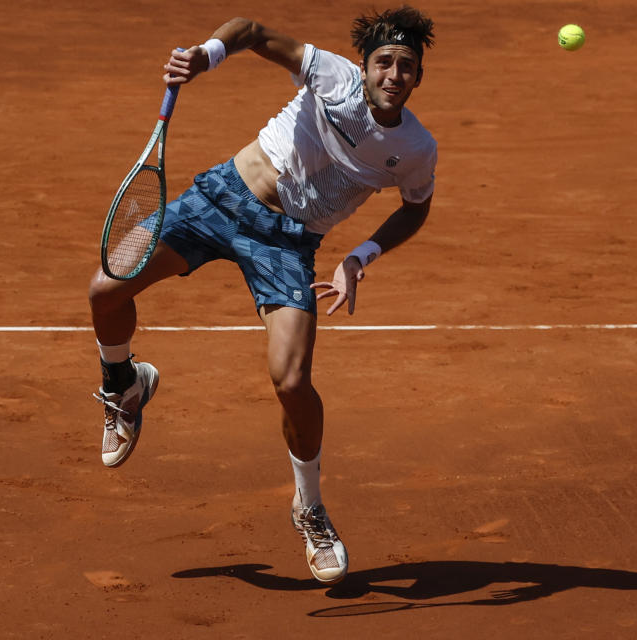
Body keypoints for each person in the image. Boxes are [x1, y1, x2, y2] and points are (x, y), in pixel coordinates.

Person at [88, 6, 436, 585]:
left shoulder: (416, 149)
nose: (393, 74)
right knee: (105, 289)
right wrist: (205, 56)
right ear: (365, 66)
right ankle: (122, 383)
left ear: (418, 76)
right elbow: (249, 31)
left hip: (288, 244)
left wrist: (359, 257)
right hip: (222, 201)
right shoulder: (331, 77)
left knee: (292, 381)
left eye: (405, 66)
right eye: (383, 62)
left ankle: (310, 509)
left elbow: (416, 206)